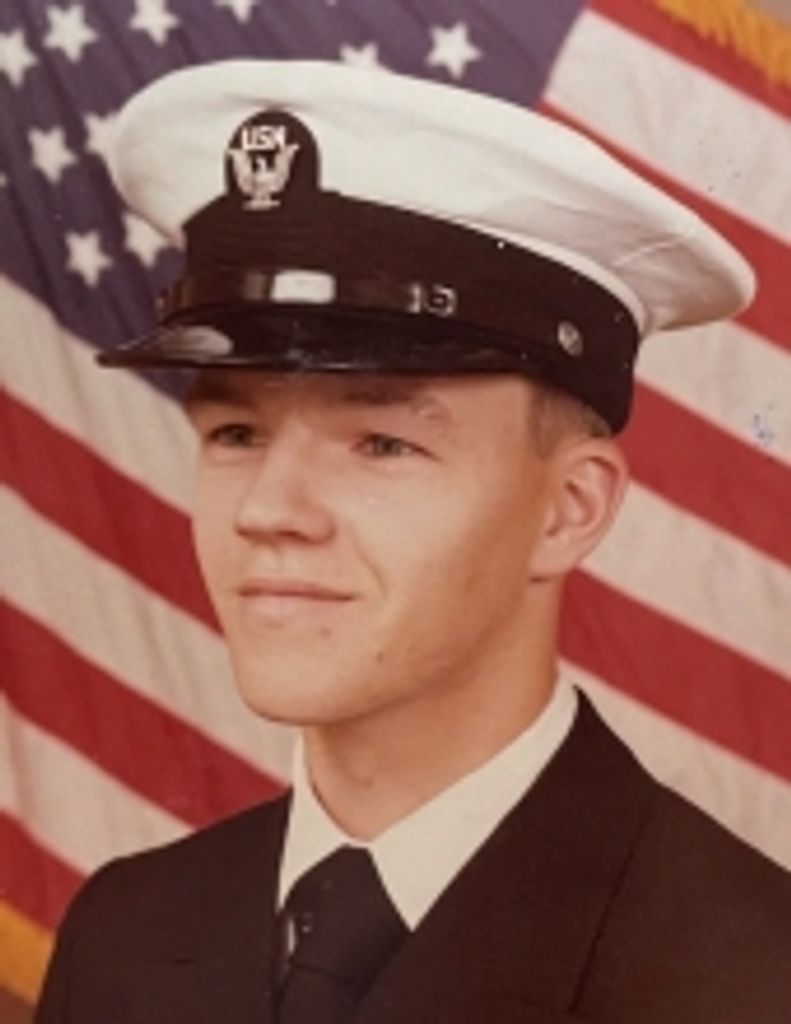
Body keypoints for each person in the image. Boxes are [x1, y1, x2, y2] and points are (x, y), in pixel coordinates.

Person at [34, 60, 791, 1024]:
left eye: (382, 444)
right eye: (236, 433)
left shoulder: (752, 979)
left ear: (568, 509)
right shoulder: (127, 932)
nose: (268, 508)